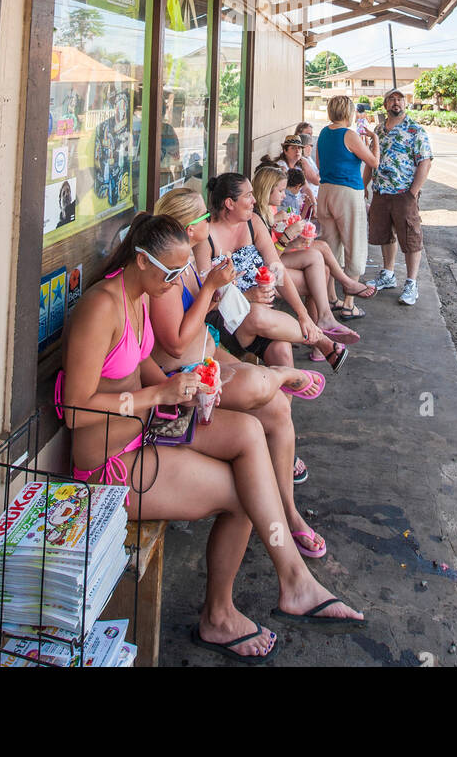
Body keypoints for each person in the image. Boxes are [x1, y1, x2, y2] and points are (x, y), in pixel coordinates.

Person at [56, 211, 364, 658]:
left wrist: (185, 384)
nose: (177, 280)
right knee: (244, 495)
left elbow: (138, 364)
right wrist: (157, 393)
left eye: (183, 270)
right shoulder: (101, 306)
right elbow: (73, 411)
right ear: (141, 261)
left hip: (144, 427)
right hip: (109, 462)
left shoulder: (139, 293)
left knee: (247, 432)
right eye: (171, 272)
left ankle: (294, 580)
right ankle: (221, 615)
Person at [152, 188, 329, 556]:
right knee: (257, 382)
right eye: (202, 217)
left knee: (279, 408)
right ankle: (287, 370)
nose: (208, 220)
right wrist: (212, 290)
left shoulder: (186, 260)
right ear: (189, 228)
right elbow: (174, 342)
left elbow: (201, 319)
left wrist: (216, 292)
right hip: (184, 382)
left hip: (209, 354)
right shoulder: (164, 272)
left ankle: (291, 514)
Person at [194, 173, 350, 373]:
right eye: (248, 196)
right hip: (226, 319)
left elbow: (278, 269)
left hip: (263, 313)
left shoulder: (253, 222)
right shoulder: (205, 237)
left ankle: (284, 404)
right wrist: (247, 296)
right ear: (229, 203)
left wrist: (303, 315)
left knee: (282, 350)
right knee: (257, 314)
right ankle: (321, 340)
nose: (255, 200)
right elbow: (205, 299)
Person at [251, 165, 370, 339]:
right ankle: (321, 329)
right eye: (281, 191)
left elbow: (274, 249)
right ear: (267, 189)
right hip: (264, 270)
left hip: (275, 260)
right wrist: (287, 237)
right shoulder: (257, 216)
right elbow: (270, 259)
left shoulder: (268, 210)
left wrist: (294, 240)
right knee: (320, 273)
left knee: (318, 256)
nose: (284, 195)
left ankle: (326, 317)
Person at [316, 95, 380, 321]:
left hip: (325, 191)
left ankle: (331, 297)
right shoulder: (349, 134)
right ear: (348, 112)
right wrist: (375, 141)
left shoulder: (323, 133)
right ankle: (349, 303)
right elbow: (374, 162)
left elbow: (320, 164)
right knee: (355, 243)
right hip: (347, 193)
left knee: (330, 246)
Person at [369, 88, 433, 307]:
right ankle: (388, 274)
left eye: (399, 99)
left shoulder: (415, 130)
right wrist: (363, 186)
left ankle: (411, 283)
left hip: (404, 193)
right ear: (385, 105)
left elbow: (425, 161)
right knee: (384, 235)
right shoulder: (378, 130)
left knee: (411, 238)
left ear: (405, 104)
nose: (395, 103)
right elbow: (371, 159)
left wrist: (413, 192)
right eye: (391, 100)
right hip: (381, 192)